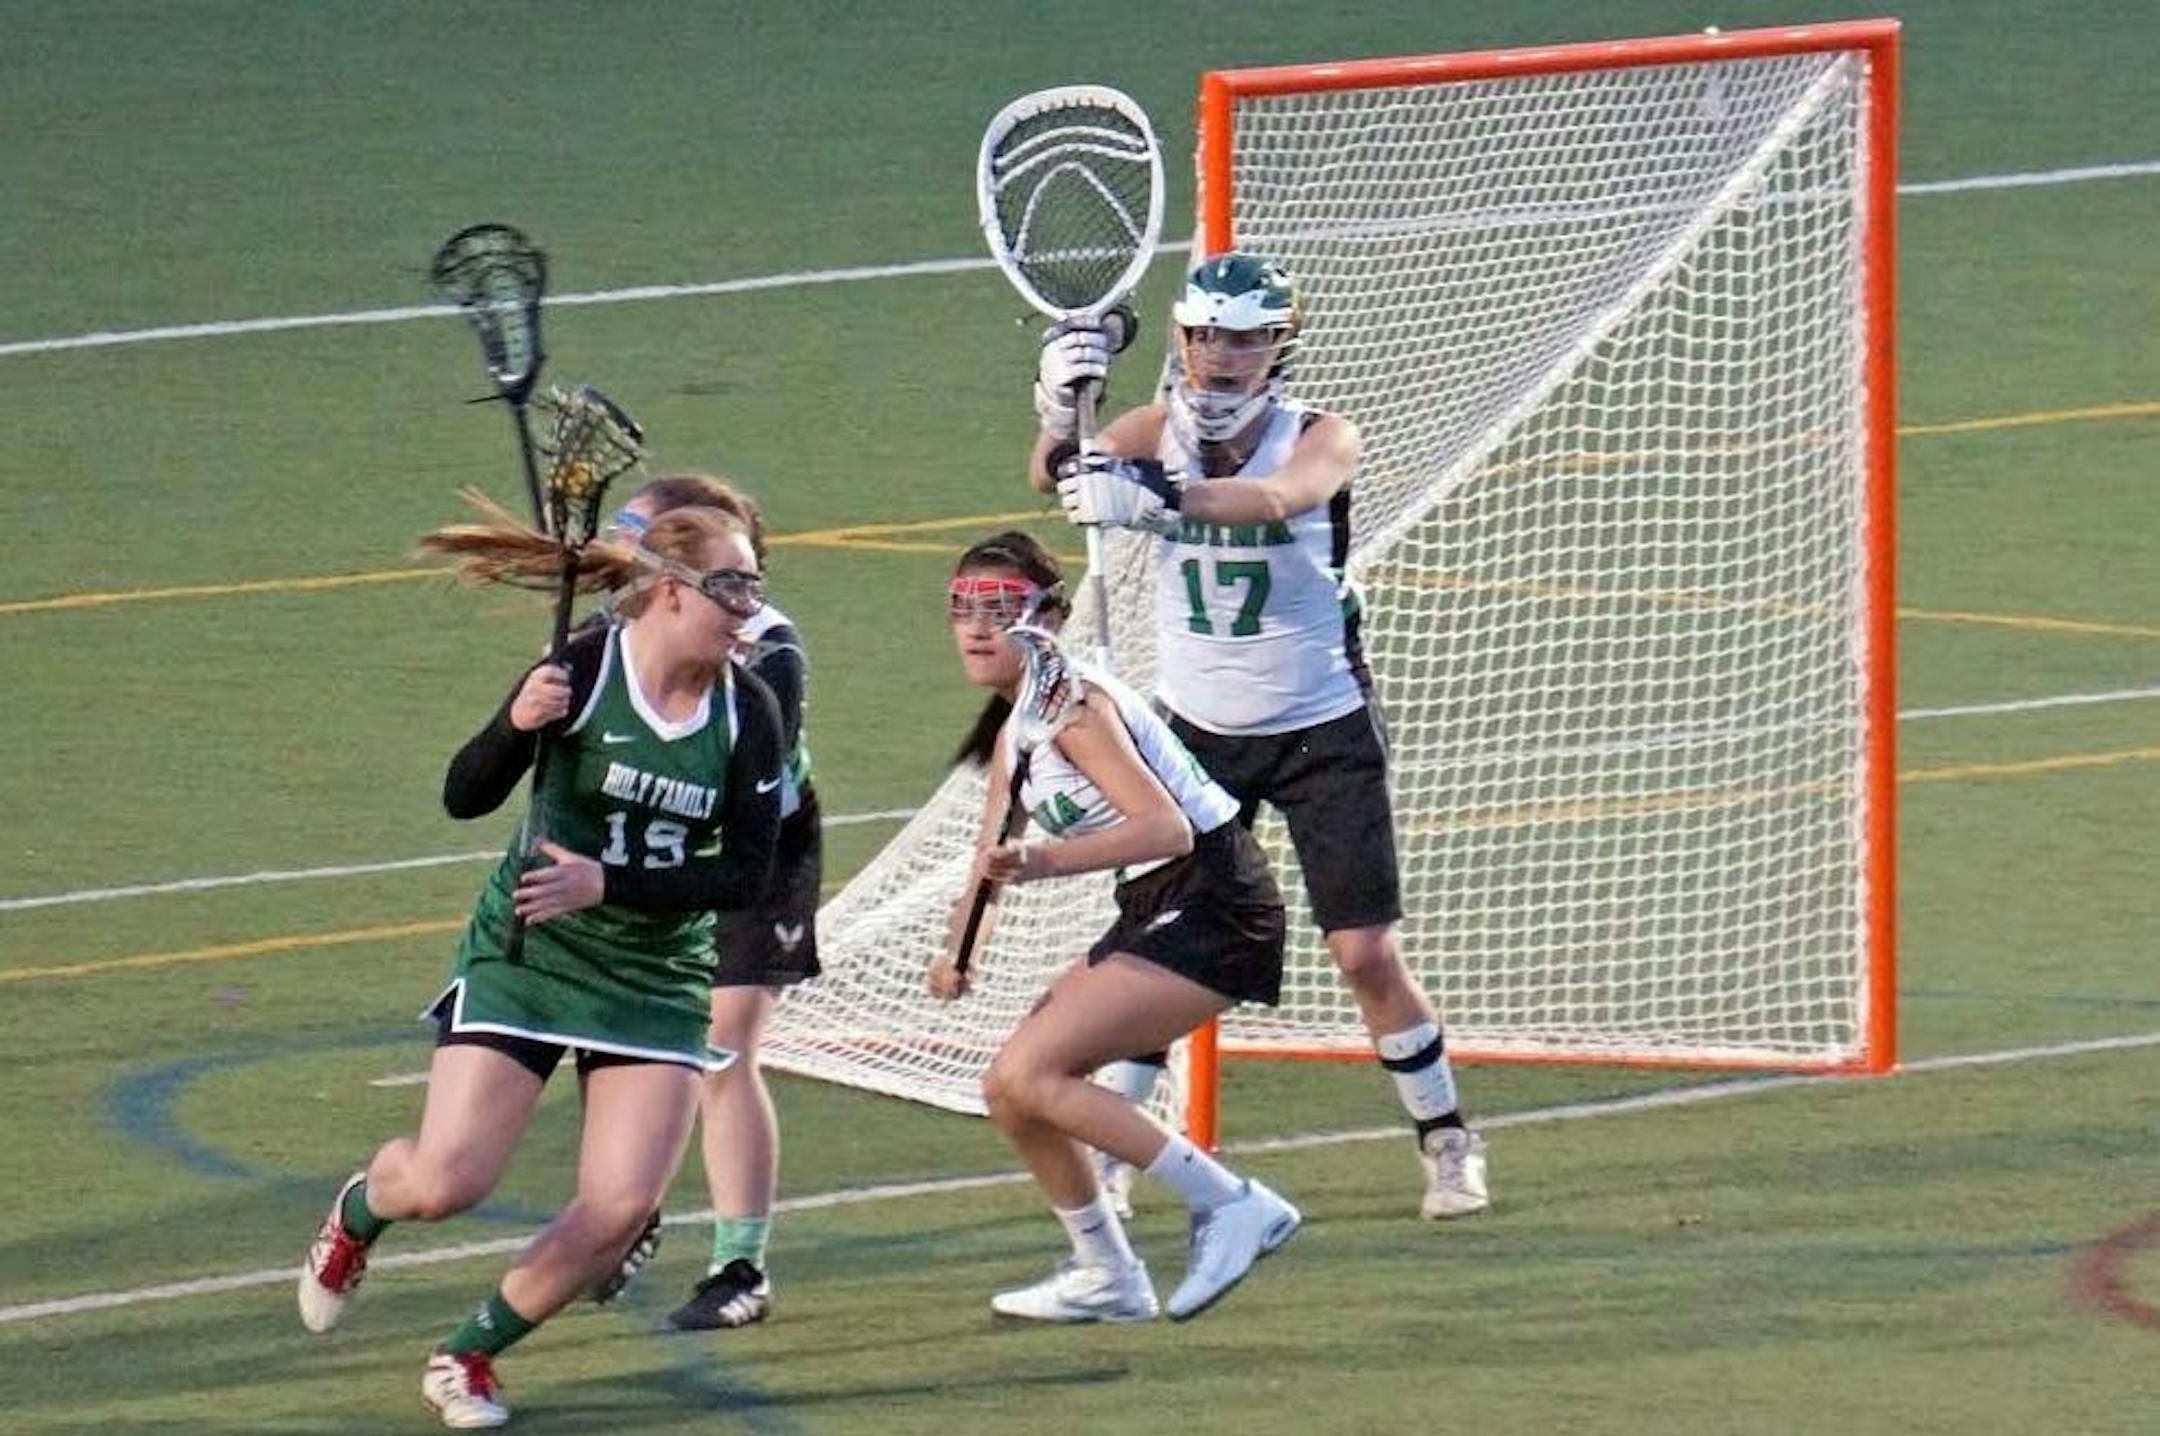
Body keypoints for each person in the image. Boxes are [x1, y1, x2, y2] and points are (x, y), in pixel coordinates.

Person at [297, 505, 786, 1429]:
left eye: (754, 587)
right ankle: (362, 1210)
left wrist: (609, 883)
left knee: (620, 1207)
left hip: (654, 977)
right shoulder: (586, 671)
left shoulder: (748, 710)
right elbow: (465, 794)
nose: (747, 608)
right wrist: (517, 727)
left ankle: (467, 1355)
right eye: (730, 588)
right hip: (533, 951)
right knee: (445, 1183)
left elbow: (747, 876)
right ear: (670, 593)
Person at [1027, 251, 1490, 1221]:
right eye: (1206, 335)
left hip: (1320, 724)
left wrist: (1156, 497)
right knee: (1164, 943)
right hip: (1194, 733)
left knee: (1363, 951)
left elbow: (1278, 499)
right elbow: (1051, 474)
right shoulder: (1148, 429)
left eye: (1246, 338)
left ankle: (1446, 1136)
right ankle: (1118, 1150)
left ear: (1280, 345)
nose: (1223, 355)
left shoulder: (1319, 433)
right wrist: (1059, 407)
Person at [928, 531, 1298, 1323]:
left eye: (1001, 608)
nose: (978, 627)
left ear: (1048, 619)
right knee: (1009, 1090)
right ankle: (1106, 1272)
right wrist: (960, 951)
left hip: (1215, 899)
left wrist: (1045, 861)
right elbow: (990, 855)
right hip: (1159, 902)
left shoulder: (1075, 711)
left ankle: (1232, 1204)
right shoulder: (1018, 728)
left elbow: (1166, 829)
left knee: (1035, 1073)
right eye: (963, 607)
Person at [579, 475, 822, 1331]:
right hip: (649, 844)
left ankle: (740, 1265)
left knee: (723, 1052)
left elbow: (730, 776)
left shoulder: (771, 652)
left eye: (637, 534)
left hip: (752, 856)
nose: (622, 549)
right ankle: (629, 1206)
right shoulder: (617, 627)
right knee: (616, 1036)